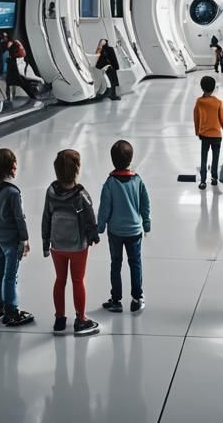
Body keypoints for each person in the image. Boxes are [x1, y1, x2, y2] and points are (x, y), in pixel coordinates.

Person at [42, 148, 100, 335]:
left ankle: (59, 319)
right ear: (77, 170)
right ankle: (81, 319)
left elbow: (46, 217)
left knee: (60, 280)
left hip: (57, 246)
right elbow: (90, 219)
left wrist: (45, 241)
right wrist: (93, 236)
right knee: (77, 281)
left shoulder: (51, 191)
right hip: (77, 247)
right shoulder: (81, 195)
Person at [97, 140, 151, 314]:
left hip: (115, 232)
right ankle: (137, 297)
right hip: (135, 230)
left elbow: (104, 207)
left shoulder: (110, 183)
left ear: (113, 161)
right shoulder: (137, 180)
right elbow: (145, 203)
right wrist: (146, 223)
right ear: (131, 159)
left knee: (116, 264)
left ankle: (116, 300)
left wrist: (100, 228)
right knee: (135, 263)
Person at [0, 148, 33, 326]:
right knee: (11, 276)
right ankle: (11, 311)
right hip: (12, 240)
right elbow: (19, 218)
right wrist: (24, 240)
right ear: (13, 167)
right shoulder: (13, 192)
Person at [193, 75, 223, 190]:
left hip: (205, 135)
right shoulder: (218, 102)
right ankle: (214, 178)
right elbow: (222, 117)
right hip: (216, 135)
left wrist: (198, 131)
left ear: (202, 88)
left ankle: (203, 181)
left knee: (204, 157)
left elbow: (196, 118)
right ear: (213, 88)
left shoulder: (199, 102)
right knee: (215, 157)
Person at [5, 36, 28, 102]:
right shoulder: (17, 43)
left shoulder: (14, 44)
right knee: (11, 83)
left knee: (10, 82)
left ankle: (10, 98)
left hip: (14, 64)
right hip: (15, 63)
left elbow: (8, 47)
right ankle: (10, 97)